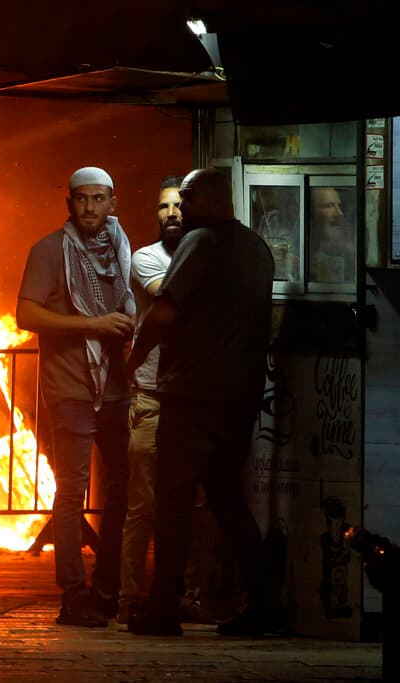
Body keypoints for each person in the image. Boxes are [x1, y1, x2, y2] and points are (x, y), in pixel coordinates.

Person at [126, 169, 275, 637]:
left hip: (191, 396)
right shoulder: (257, 248)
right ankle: (262, 609)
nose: (181, 208)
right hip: (240, 397)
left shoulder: (200, 242)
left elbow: (165, 311)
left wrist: (132, 360)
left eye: (187, 198)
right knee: (229, 502)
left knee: (172, 504)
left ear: (209, 198)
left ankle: (163, 611)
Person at [16, 166, 135, 627]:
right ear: (70, 203)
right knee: (71, 492)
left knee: (123, 487)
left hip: (118, 388)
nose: (90, 207)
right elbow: (25, 313)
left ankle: (107, 586)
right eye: (81, 199)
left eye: (98, 199)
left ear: (112, 202)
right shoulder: (49, 250)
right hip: (70, 387)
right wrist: (92, 324)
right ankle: (73, 593)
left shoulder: (123, 252)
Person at [118, 176, 212, 625]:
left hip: (191, 397)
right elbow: (170, 299)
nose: (170, 213)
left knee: (191, 504)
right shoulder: (146, 258)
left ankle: (187, 595)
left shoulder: (206, 254)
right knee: (144, 505)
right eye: (162, 207)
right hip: (153, 396)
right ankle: (131, 596)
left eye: (178, 205)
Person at [308, 186, 356, 284]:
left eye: (339, 205)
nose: (339, 213)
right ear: (311, 212)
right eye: (329, 205)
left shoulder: (347, 242)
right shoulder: (300, 250)